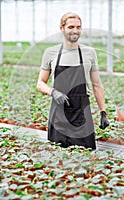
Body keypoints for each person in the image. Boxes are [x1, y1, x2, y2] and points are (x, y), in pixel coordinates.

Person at [36, 12, 109, 150]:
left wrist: (103, 112)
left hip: (82, 111)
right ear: (62, 28)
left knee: (85, 154)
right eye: (70, 27)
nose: (75, 31)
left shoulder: (89, 53)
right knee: (57, 155)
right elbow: (40, 83)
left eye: (78, 27)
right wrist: (53, 92)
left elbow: (97, 85)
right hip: (58, 113)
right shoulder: (51, 53)